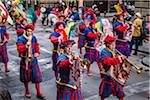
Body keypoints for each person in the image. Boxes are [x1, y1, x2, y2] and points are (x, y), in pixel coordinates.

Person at [16, 24, 44, 99]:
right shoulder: (20, 39)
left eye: (31, 31)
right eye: (28, 31)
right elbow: (19, 49)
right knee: (26, 78)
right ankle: (27, 91)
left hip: (33, 60)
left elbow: (37, 45)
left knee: (37, 76)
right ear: (25, 31)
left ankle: (38, 92)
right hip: (25, 61)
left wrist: (37, 52)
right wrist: (25, 46)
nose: (29, 33)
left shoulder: (33, 38)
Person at [98, 35, 126, 100]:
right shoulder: (104, 51)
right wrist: (118, 59)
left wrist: (123, 58)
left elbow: (118, 60)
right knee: (104, 93)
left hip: (116, 74)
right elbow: (108, 61)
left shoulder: (114, 50)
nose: (114, 44)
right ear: (108, 44)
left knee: (120, 92)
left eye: (114, 42)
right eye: (112, 43)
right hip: (108, 74)